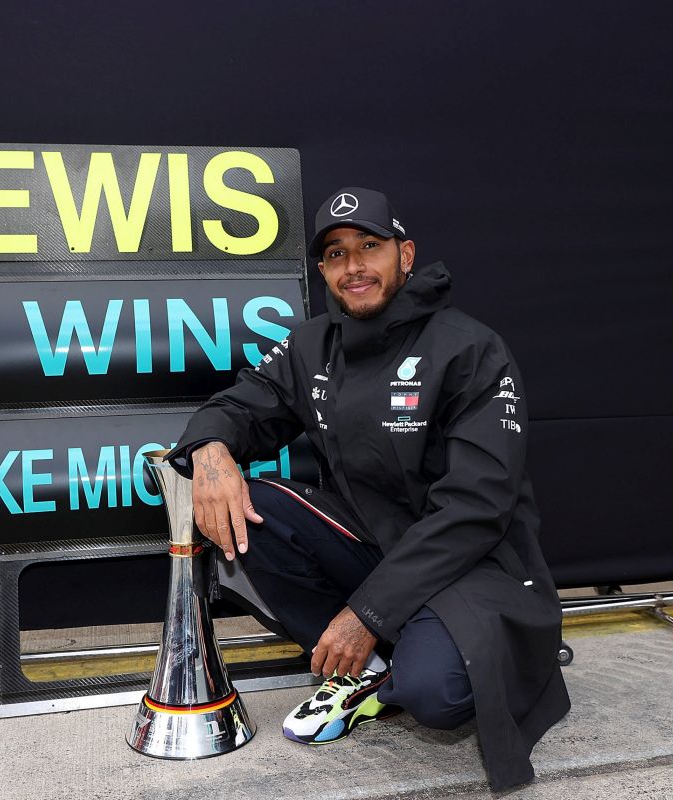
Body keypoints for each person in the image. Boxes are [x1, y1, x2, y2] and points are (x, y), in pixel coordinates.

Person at [166, 186, 570, 790]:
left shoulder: (470, 348)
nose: (353, 266)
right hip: (372, 544)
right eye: (336, 254)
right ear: (323, 270)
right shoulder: (312, 346)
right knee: (254, 511)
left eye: (369, 247)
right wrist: (211, 450)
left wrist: (368, 613)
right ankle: (370, 667)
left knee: (434, 693)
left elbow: (477, 508)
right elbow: (240, 406)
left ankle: (448, 652)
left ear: (405, 256)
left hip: (472, 563)